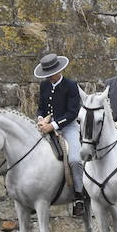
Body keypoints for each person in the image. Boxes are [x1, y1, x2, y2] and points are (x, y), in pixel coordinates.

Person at [34, 53, 88, 217]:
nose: (49, 77)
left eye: (51, 73)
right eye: (47, 74)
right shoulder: (44, 86)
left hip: (68, 127)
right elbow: (41, 108)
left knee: (75, 160)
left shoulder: (71, 85)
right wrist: (41, 119)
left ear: (59, 70)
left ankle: (79, 196)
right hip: (47, 126)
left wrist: (54, 125)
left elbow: (72, 112)